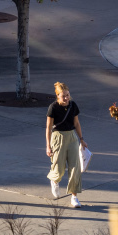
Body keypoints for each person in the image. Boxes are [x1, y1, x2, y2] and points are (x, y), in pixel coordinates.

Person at [46, 80, 87, 208]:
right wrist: (48, 146)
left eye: (67, 95)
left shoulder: (73, 106)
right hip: (58, 137)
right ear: (57, 96)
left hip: (72, 137)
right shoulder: (53, 107)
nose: (66, 98)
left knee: (75, 168)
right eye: (63, 96)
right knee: (59, 168)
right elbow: (48, 128)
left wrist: (81, 139)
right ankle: (55, 180)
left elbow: (77, 123)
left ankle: (74, 197)